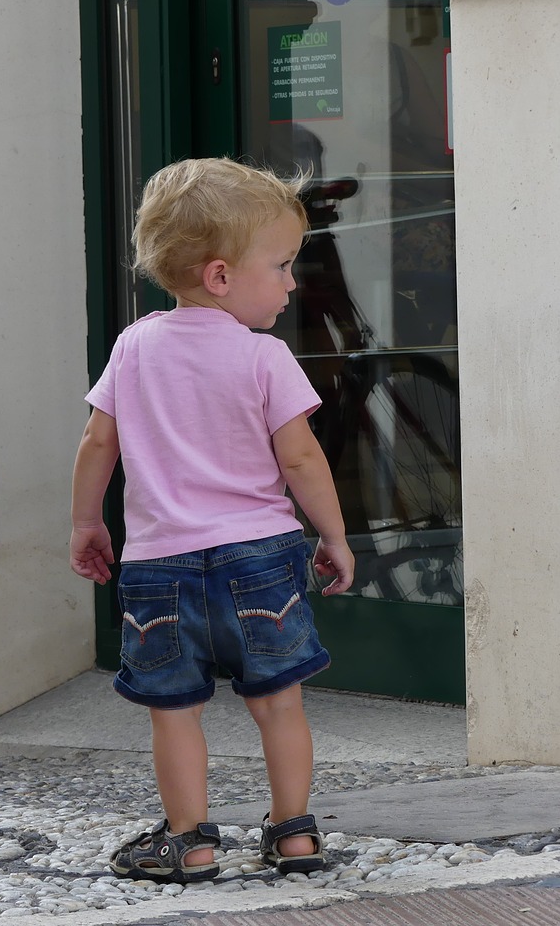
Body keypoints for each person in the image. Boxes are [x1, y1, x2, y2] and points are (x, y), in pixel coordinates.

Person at [70, 157, 354, 884]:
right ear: (222, 276)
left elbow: (98, 442)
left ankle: (191, 842)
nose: (292, 283)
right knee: (279, 702)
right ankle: (294, 835)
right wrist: (334, 534)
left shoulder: (134, 346)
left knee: (174, 711)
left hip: (159, 566)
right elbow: (301, 460)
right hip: (259, 557)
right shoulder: (266, 356)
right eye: (283, 265)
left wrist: (87, 525)